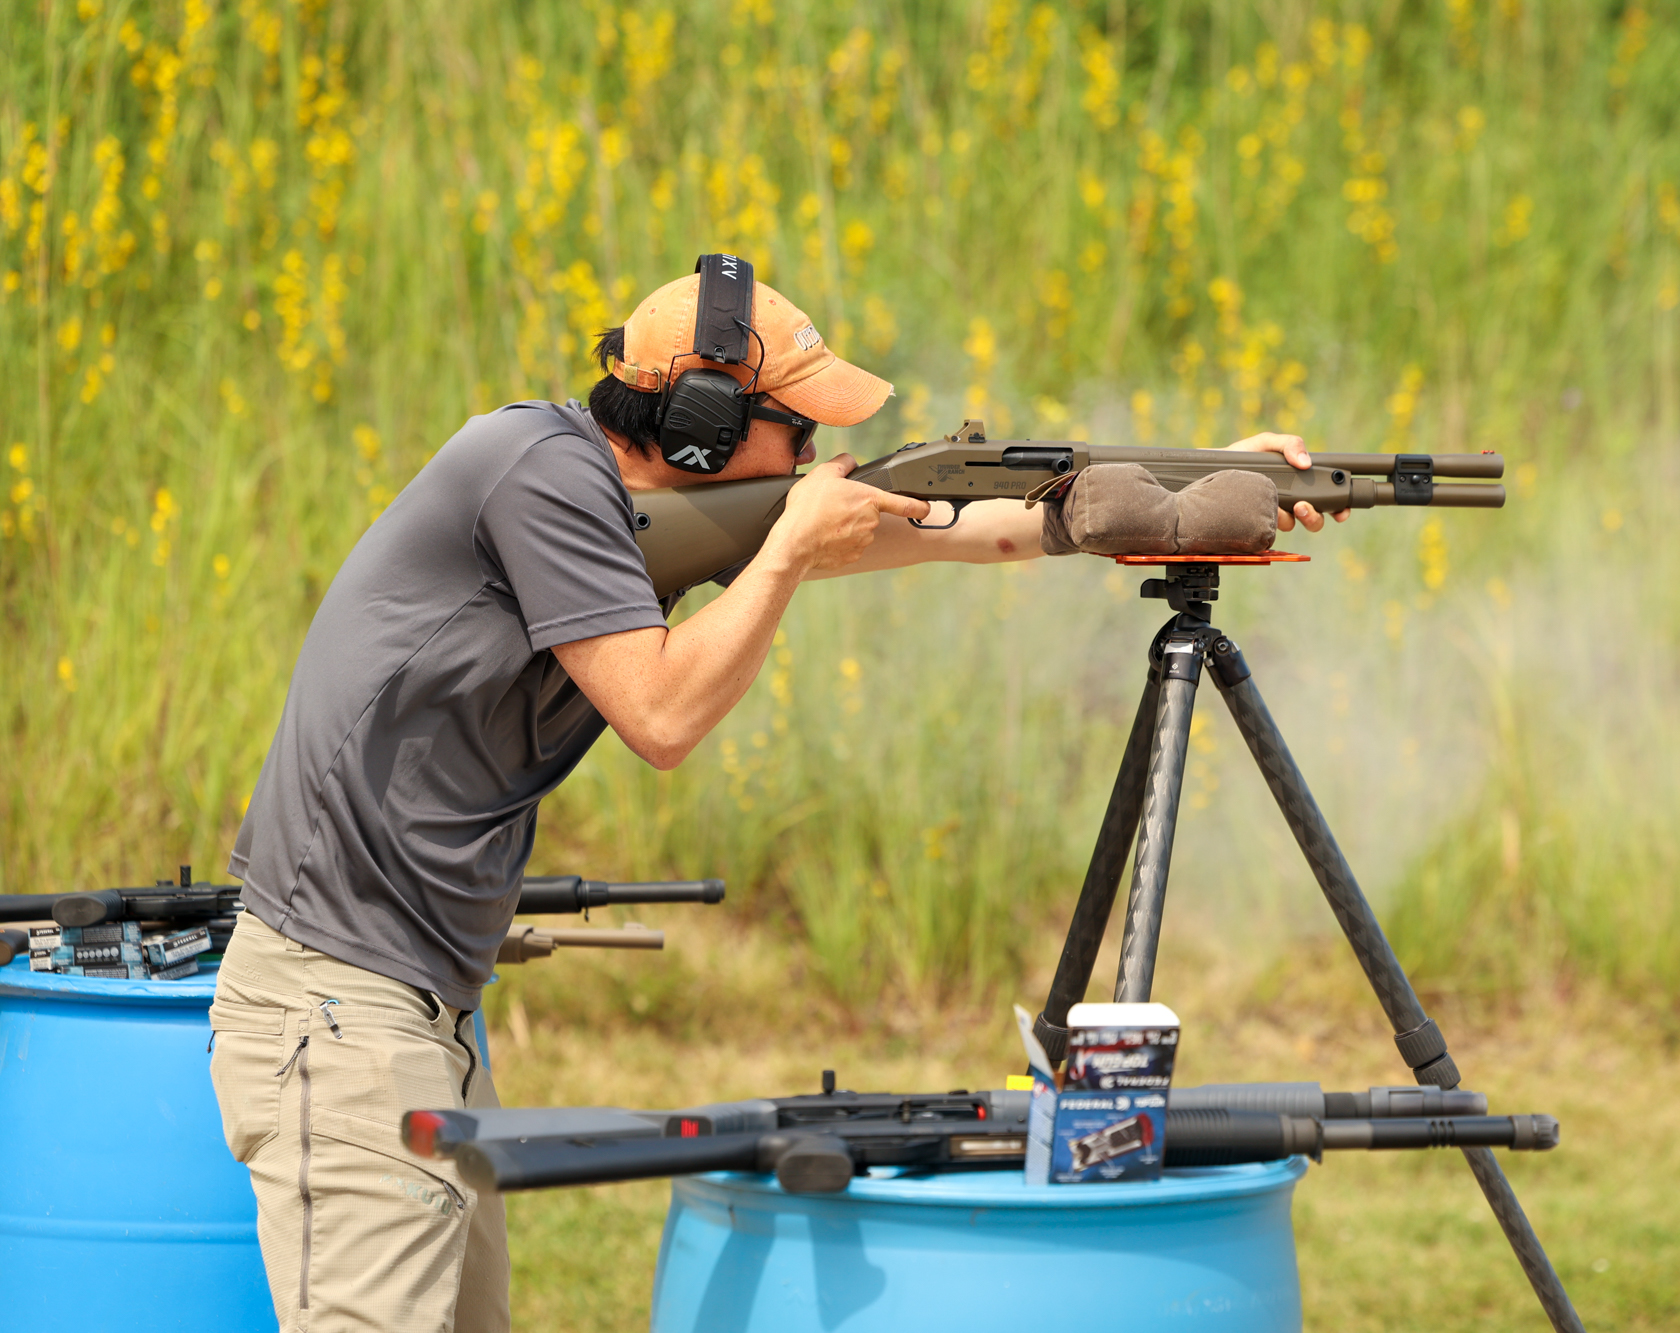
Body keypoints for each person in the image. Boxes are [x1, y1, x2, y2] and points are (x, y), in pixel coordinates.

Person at [207, 264, 1334, 1332]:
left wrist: (1195, 480)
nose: (815, 447)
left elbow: (969, 527)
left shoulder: (622, 509)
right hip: (339, 1011)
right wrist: (787, 553)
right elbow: (659, 716)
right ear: (697, 419)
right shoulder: (537, 474)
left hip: (419, 1013)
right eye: (793, 423)